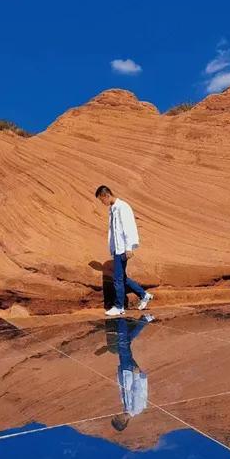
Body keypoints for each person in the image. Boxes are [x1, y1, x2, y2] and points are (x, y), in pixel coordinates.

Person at [95, 185, 153, 318]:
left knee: (118, 279)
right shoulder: (113, 209)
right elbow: (114, 232)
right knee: (122, 278)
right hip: (117, 249)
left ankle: (119, 307)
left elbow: (129, 227)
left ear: (106, 195)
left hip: (123, 249)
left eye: (101, 200)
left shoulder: (123, 207)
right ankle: (144, 295)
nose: (102, 203)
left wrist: (129, 247)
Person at [109, 315, 154, 433]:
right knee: (123, 345)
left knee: (125, 345)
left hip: (126, 372)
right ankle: (120, 319)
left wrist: (119, 373)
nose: (116, 415)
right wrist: (136, 375)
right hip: (132, 372)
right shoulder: (136, 409)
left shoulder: (126, 407)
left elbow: (123, 388)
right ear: (123, 421)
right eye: (117, 417)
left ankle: (145, 320)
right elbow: (139, 391)